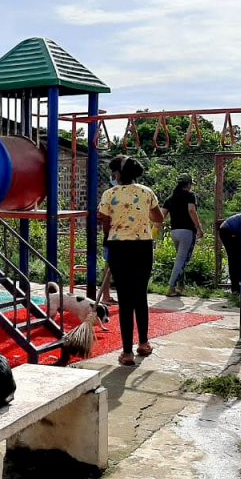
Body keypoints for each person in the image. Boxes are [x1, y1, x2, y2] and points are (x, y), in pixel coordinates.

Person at [98, 157, 164, 364]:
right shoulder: (147, 192)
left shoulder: (109, 194)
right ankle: (143, 343)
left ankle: (127, 353)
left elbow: (104, 221)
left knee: (125, 299)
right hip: (142, 247)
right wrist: (141, 214)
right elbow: (159, 218)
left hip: (118, 247)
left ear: (118, 174)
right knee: (140, 295)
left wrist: (108, 238)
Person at [161, 173, 205, 296]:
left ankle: (180, 286)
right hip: (187, 232)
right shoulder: (190, 196)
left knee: (180, 259)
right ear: (188, 184)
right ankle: (171, 287)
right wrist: (199, 228)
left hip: (174, 232)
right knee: (182, 260)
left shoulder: (170, 198)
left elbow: (162, 215)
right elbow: (191, 210)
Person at [98, 155, 127, 304]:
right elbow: (103, 216)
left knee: (114, 266)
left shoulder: (118, 191)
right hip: (115, 234)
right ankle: (106, 295)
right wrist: (107, 232)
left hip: (120, 234)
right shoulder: (111, 192)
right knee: (110, 265)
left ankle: (108, 295)